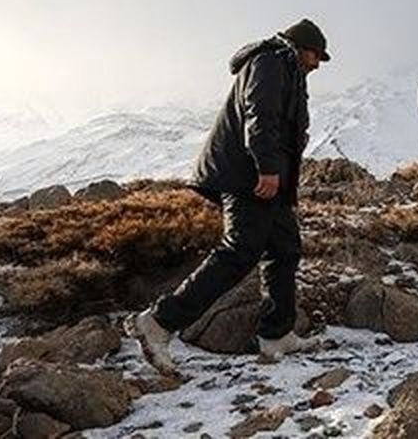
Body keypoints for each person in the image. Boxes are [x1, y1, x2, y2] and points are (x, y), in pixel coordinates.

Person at [129, 19, 330, 375]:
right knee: (240, 250)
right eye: (316, 56)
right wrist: (267, 167)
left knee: (285, 249)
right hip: (248, 177)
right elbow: (261, 115)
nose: (317, 65)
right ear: (304, 47)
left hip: (272, 182)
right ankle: (159, 322)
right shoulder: (270, 62)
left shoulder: (289, 69)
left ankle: (277, 333)